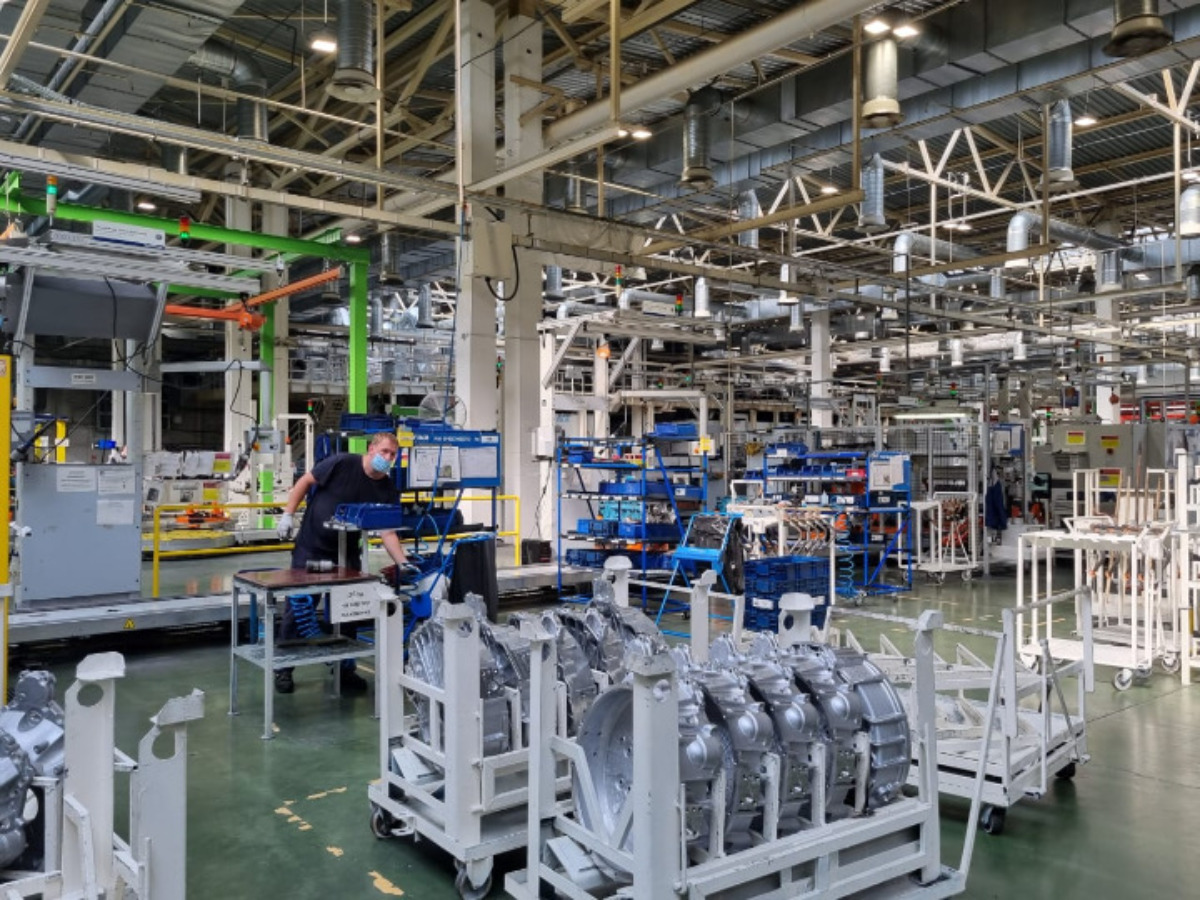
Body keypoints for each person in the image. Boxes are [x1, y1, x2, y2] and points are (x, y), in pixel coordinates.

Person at [274, 431, 407, 694]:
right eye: (384, 452)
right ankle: (284, 668)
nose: (388, 458)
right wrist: (288, 514)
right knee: (299, 609)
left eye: (392, 454)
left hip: (346, 555)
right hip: (312, 549)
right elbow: (306, 481)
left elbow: (388, 532)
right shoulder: (342, 463)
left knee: (349, 611)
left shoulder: (387, 489)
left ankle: (345, 669)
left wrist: (403, 564)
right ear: (371, 449)